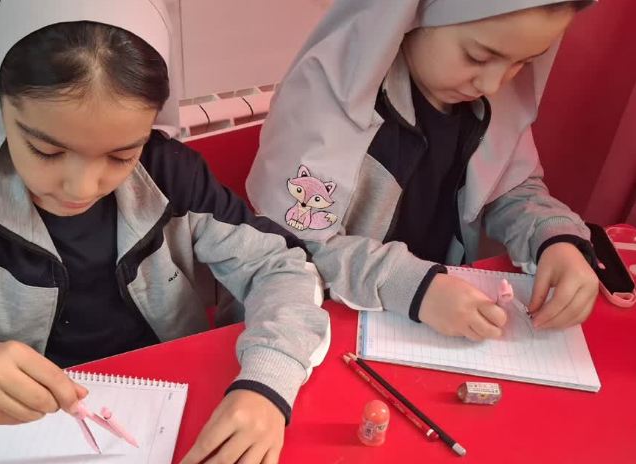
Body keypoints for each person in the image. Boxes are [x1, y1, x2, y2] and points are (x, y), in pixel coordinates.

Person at [0, 2, 329, 464]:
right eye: (46, 150)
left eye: (121, 155)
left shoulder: (169, 175)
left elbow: (284, 268)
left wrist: (267, 384)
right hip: (13, 438)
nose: (81, 187)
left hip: (170, 411)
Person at [247, 0, 600, 342]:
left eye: (522, 62)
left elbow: (513, 188)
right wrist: (415, 287)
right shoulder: (326, 106)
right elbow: (290, 248)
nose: (493, 84)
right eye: (477, 57)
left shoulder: (491, 104)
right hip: (305, 331)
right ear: (412, 14)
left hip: (432, 316)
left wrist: (553, 239)